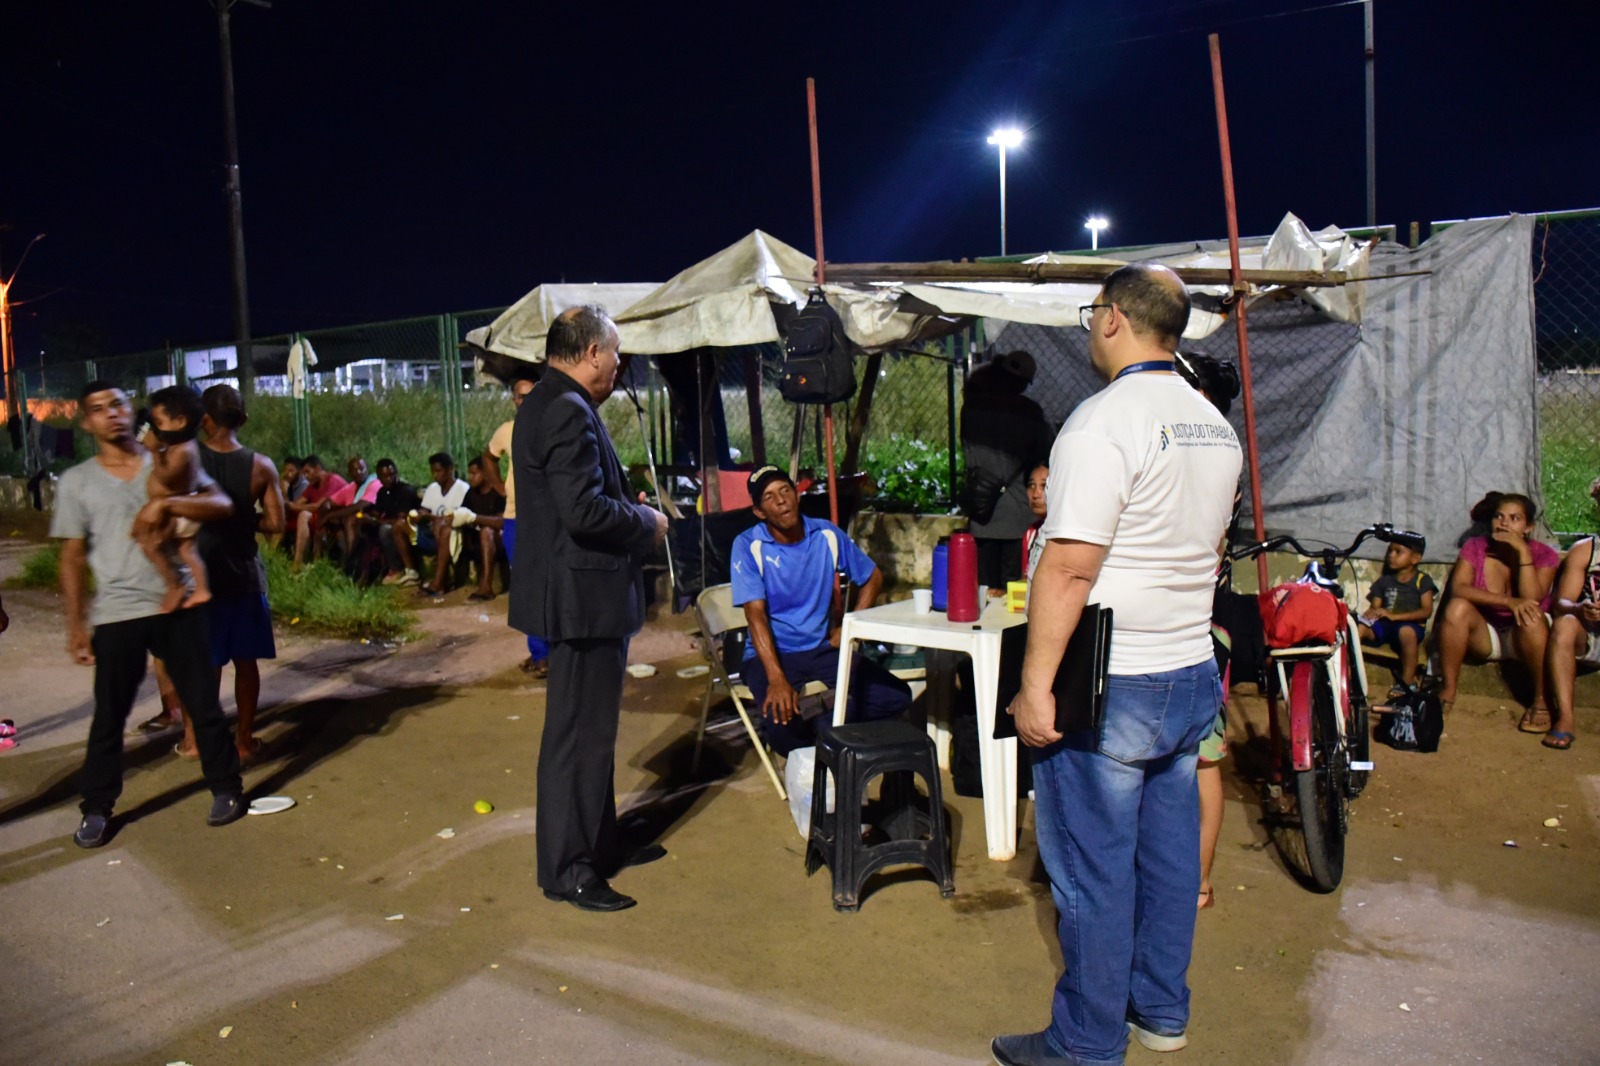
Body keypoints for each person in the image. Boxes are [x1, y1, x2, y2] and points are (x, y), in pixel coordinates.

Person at [995, 264, 1242, 1066]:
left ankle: (1086, 1041)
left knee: (1093, 871)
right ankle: (1161, 1013)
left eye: (1090, 313)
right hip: (1189, 669)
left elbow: (1068, 567)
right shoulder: (1213, 423)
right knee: (1169, 861)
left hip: (1114, 684)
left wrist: (1034, 688)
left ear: (1111, 319)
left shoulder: (1102, 423)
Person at [508, 304, 669, 913]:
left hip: (580, 595)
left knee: (592, 734)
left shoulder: (552, 401)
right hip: (581, 599)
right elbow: (582, 511)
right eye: (616, 352)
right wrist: (645, 521)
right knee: (577, 737)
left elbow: (576, 499)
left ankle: (598, 845)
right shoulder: (565, 408)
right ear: (593, 351)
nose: (620, 364)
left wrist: (626, 504)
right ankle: (569, 870)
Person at [51, 381, 245, 848]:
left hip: (178, 605)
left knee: (203, 704)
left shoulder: (170, 459)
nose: (112, 414)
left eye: (118, 404)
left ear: (130, 410)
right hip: (117, 612)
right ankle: (96, 809)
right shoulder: (77, 481)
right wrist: (75, 625)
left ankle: (226, 789)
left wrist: (166, 501)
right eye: (99, 409)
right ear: (87, 422)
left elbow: (222, 504)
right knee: (109, 716)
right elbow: (72, 558)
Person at [730, 465, 913, 756]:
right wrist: (776, 679)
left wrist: (851, 627)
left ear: (797, 495)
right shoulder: (748, 545)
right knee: (781, 732)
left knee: (895, 696)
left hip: (820, 648)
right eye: (769, 497)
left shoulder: (826, 534)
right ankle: (820, 748)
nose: (781, 500)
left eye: (785, 490)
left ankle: (824, 730)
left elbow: (872, 577)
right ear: (759, 512)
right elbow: (756, 616)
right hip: (773, 654)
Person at [166, 384, 284, 765]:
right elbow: (276, 523)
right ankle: (244, 741)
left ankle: (194, 740)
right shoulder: (261, 465)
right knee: (245, 662)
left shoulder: (185, 458)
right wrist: (244, 517)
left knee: (202, 662)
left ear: (203, 420)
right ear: (243, 419)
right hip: (243, 573)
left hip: (196, 573)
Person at [1174, 349, 1243, 915]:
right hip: (1190, 627)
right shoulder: (1215, 450)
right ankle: (1190, 880)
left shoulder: (1209, 456)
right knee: (1195, 761)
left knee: (1202, 760)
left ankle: (1198, 881)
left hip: (1197, 630)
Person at [1433, 491, 1558, 724]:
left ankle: (1542, 700)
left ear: (1528, 527)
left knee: (1531, 615)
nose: (1504, 523)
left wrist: (1522, 552)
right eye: (1499, 516)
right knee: (1457, 607)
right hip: (1486, 634)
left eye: (1514, 518)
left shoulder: (1544, 554)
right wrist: (1508, 601)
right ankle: (1448, 690)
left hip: (1526, 637)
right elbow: (1459, 588)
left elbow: (1532, 598)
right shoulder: (1475, 547)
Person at [961, 350, 1057, 590]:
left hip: (982, 512)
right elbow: (1045, 454)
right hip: (1017, 516)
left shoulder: (971, 408)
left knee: (984, 591)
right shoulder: (1030, 412)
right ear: (1023, 383)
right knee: (1014, 592)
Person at [486, 373, 551, 676]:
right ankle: (540, 653)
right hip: (516, 518)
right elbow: (489, 457)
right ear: (514, 399)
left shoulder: (550, 428)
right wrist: (499, 487)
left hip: (545, 518)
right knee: (527, 586)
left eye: (531, 395)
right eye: (520, 396)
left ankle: (547, 653)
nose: (525, 401)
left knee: (547, 584)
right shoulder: (507, 431)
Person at [135, 386, 211, 614]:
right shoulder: (180, 446)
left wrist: (155, 452)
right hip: (177, 509)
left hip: (177, 511)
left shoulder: (184, 450)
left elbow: (167, 477)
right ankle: (200, 588)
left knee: (151, 544)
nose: (156, 428)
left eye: (159, 422)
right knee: (187, 551)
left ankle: (175, 584)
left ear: (179, 422)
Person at [1543, 477, 1600, 751]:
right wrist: (1579, 608)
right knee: (1564, 624)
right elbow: (1561, 603)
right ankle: (1565, 717)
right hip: (1593, 634)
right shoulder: (1586, 550)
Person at [1357, 533, 1437, 698]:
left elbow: (1426, 611)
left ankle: (1407, 682)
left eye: (1398, 552)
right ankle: (1351, 675)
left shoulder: (1423, 580)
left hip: (1410, 626)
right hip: (1385, 625)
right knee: (1359, 628)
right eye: (1390, 551)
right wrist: (1369, 616)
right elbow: (1375, 607)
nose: (1391, 555)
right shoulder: (1385, 580)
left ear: (1415, 558)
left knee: (1406, 632)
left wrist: (1396, 617)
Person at [394, 452, 469, 594]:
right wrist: (418, 516)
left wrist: (430, 517)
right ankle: (412, 572)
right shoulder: (433, 488)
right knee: (400, 525)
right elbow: (424, 510)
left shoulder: (462, 489)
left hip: (452, 535)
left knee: (440, 526)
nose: (435, 475)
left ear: (449, 469)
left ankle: (439, 582)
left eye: (438, 471)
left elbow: (456, 518)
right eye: (433, 471)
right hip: (430, 534)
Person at [458, 456, 508, 602]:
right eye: (469, 474)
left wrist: (474, 518)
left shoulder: (500, 492)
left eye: (474, 473)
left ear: (486, 473)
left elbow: (503, 522)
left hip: (501, 539)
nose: (470, 477)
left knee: (487, 531)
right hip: (477, 539)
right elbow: (464, 515)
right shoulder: (471, 493)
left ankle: (486, 587)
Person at [287, 456, 348, 569]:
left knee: (304, 515)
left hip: (339, 517)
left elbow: (318, 506)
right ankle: (292, 558)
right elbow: (298, 502)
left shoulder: (333, 480)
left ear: (318, 468)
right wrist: (290, 505)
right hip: (322, 517)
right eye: (303, 473)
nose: (305, 476)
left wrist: (294, 506)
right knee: (296, 515)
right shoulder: (313, 486)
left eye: (307, 472)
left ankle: (299, 562)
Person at [317, 456, 381, 562]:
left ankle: (350, 562)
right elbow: (328, 503)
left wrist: (329, 515)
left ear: (367, 469)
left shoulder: (374, 483)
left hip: (370, 519)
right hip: (350, 520)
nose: (359, 472)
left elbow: (360, 506)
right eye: (355, 470)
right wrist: (326, 513)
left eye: (362, 468)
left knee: (350, 518)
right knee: (330, 523)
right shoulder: (350, 487)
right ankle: (319, 561)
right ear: (349, 473)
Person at [1022, 462, 1049, 582]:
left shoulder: (1068, 533)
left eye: (1044, 486)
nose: (1035, 494)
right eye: (1031, 485)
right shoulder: (1031, 533)